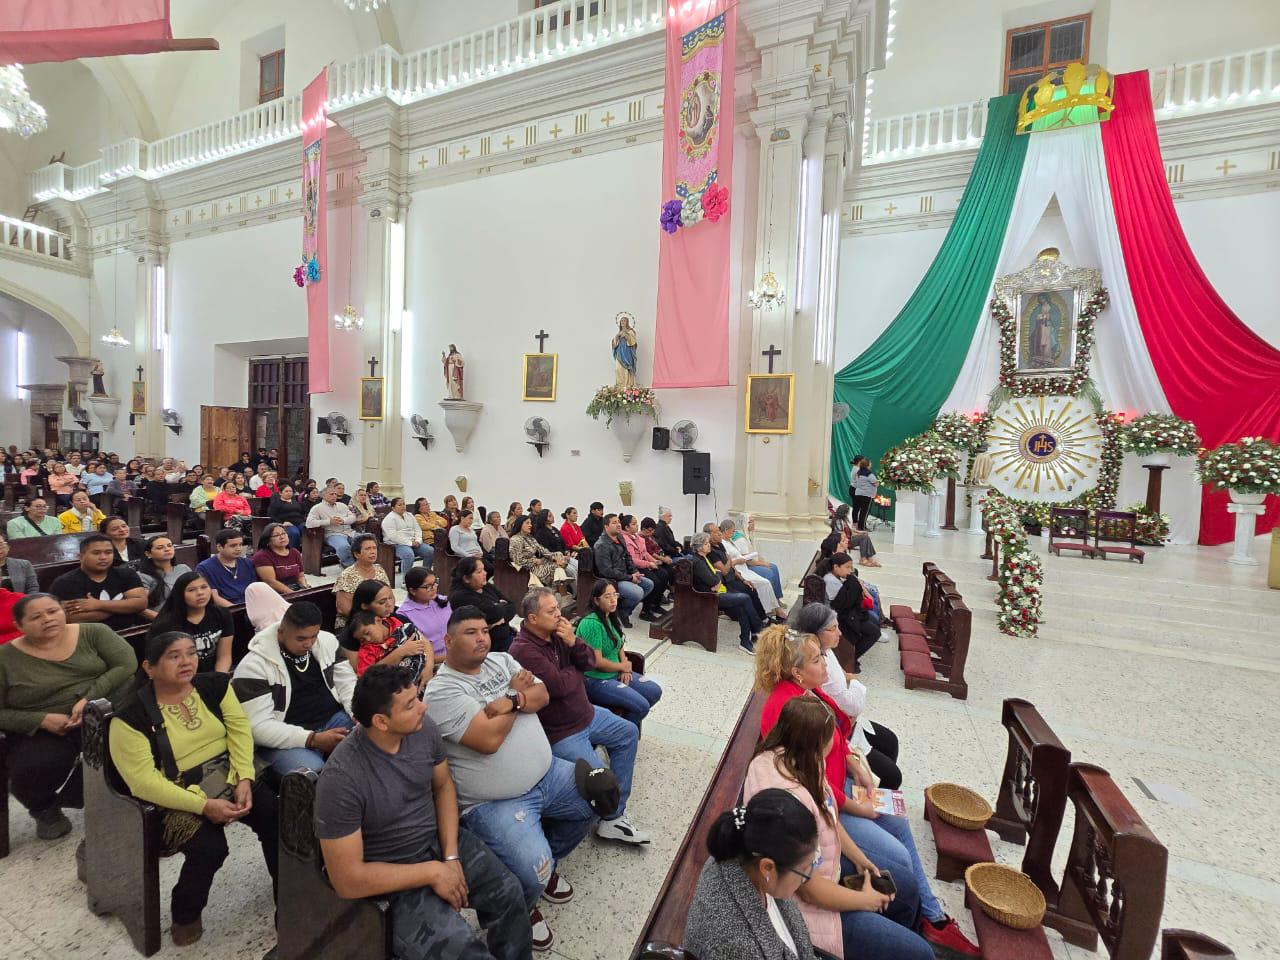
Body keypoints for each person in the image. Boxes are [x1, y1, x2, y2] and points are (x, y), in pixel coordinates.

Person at [754, 626, 978, 956]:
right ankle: (920, 924)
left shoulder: (810, 693)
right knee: (899, 861)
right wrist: (856, 807)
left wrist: (853, 762)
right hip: (831, 801)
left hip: (834, 791)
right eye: (817, 660)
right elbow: (812, 788)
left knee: (899, 820)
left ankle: (930, 918)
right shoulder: (785, 709)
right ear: (796, 672)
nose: (825, 666)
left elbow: (839, 729)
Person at [317, 664, 533, 960]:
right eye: (411, 705)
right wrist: (432, 872)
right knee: (465, 952)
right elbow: (347, 879)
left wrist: (451, 855)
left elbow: (443, 787)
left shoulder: (422, 728)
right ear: (381, 721)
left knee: (509, 893)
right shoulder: (342, 779)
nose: (423, 706)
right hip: (392, 876)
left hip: (435, 843)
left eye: (417, 696)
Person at [426, 607, 604, 952]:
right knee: (532, 871)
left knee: (598, 796)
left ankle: (548, 861)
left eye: (484, 630)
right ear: (448, 641)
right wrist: (516, 697)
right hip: (495, 802)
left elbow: (542, 696)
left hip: (548, 773)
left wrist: (509, 700)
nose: (481, 638)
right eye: (470, 632)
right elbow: (487, 740)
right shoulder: (442, 691)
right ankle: (526, 907)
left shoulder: (501, 661)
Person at [109, 630, 278, 950]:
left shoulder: (214, 685)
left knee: (274, 814)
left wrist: (243, 777)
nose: (186, 661)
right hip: (175, 791)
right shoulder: (130, 716)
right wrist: (204, 807)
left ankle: (287, 891)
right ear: (149, 667)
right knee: (209, 848)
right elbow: (142, 781)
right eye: (174, 656)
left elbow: (239, 730)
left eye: (190, 652)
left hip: (227, 772)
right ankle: (185, 914)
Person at [745, 698, 932, 960]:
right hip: (809, 916)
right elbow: (808, 890)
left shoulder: (793, 756)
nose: (833, 745)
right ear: (814, 746)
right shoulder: (787, 805)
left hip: (825, 871)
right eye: (829, 740)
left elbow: (827, 812)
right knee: (920, 953)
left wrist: (858, 857)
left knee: (907, 889)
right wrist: (865, 901)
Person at [511, 588, 649, 845]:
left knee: (628, 733)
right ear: (532, 619)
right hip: (562, 731)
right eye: (551, 611)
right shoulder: (523, 650)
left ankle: (613, 815)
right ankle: (607, 812)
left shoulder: (560, 635)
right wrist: (575, 671)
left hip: (587, 713)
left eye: (558, 608)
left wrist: (573, 643)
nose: (559, 615)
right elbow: (559, 688)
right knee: (599, 782)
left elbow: (587, 663)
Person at [0, 593, 136, 839]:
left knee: (129, 745)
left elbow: (126, 664)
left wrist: (88, 700)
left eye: (53, 611)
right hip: (45, 726)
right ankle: (43, 807)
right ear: (19, 625)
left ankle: (98, 797)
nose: (48, 619)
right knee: (33, 766)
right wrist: (40, 720)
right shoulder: (5, 658)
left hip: (102, 710)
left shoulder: (94, 632)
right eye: (36, 617)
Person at [682, 789, 818, 960]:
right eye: (804, 870)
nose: (807, 878)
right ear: (767, 868)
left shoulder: (743, 853)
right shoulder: (737, 946)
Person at [231, 600, 355, 776]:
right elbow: (258, 727)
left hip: (333, 720)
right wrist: (312, 739)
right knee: (313, 775)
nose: (309, 643)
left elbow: (346, 682)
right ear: (281, 633)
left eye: (314, 636)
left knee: (378, 733)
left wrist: (356, 711)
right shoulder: (253, 667)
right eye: (301, 638)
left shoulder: (327, 642)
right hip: (285, 738)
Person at [792, 602, 900, 789]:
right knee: (892, 776)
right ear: (814, 633)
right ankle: (870, 796)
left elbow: (842, 682)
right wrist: (856, 682)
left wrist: (849, 685)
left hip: (843, 725)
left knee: (890, 741)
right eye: (833, 628)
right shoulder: (811, 666)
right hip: (838, 732)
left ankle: (876, 797)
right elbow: (851, 706)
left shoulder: (823, 651)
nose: (839, 633)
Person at [575, 579, 662, 732]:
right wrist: (622, 666)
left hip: (616, 672)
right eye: (607, 596)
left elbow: (619, 644)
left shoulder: (610, 617)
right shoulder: (591, 623)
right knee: (641, 706)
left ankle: (623, 728)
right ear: (596, 600)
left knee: (654, 691)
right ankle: (617, 736)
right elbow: (597, 662)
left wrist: (626, 667)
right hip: (596, 679)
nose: (613, 600)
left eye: (615, 595)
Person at [49, 534, 148, 630]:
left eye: (108, 552)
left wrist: (97, 605)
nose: (103, 557)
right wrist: (124, 606)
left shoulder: (126, 574)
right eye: (96, 553)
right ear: (81, 556)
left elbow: (141, 604)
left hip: (128, 631)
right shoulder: (64, 582)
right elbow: (70, 618)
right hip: (86, 637)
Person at [690, 531, 764, 655]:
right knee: (744, 598)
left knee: (742, 607)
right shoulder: (698, 562)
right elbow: (714, 579)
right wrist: (717, 578)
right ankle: (758, 629)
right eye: (706, 544)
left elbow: (717, 576)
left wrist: (717, 578)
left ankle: (745, 641)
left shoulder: (704, 558)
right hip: (708, 597)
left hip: (716, 591)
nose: (709, 546)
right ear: (699, 547)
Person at [148, 572, 233, 673]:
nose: (200, 593)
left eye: (204, 587)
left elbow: (224, 656)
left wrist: (219, 678)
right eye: (192, 590)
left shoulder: (222, 614)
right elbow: (165, 664)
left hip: (214, 674)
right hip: (180, 677)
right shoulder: (165, 624)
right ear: (180, 594)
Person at [821, 553, 881, 671]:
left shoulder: (837, 577)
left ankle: (851, 657)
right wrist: (857, 586)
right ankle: (849, 659)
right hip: (838, 616)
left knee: (873, 621)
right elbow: (842, 601)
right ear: (836, 567)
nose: (850, 571)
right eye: (847, 567)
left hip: (846, 613)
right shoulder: (830, 580)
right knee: (874, 632)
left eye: (851, 567)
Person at [594, 513, 654, 626]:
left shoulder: (620, 537)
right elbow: (607, 571)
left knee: (649, 584)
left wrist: (634, 571)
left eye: (618, 522)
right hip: (612, 580)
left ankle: (624, 611)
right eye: (614, 522)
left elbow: (628, 557)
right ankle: (620, 610)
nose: (618, 525)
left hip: (624, 574)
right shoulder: (602, 545)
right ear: (606, 526)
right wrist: (630, 578)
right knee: (638, 592)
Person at [447, 556, 516, 653]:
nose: (485, 573)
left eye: (484, 570)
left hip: (507, 637)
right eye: (479, 572)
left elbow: (512, 606)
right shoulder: (460, 596)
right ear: (466, 578)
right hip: (487, 647)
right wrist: (499, 608)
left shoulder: (485, 586)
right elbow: (492, 614)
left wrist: (501, 619)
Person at [332, 535, 390, 630]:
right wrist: (374, 616)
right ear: (356, 554)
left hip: (380, 618)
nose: (372, 552)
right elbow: (344, 609)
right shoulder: (347, 575)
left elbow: (390, 596)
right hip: (354, 623)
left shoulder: (380, 570)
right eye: (367, 549)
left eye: (374, 548)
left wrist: (387, 611)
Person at [724, 516, 786, 605]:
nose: (753, 524)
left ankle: (776, 598)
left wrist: (762, 561)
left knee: (774, 567)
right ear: (744, 524)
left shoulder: (748, 533)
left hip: (751, 562)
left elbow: (754, 552)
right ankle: (770, 603)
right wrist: (763, 564)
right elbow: (747, 560)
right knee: (769, 572)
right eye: (750, 522)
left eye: (753, 522)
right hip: (747, 566)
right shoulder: (739, 538)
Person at [620, 513, 671, 615]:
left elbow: (645, 552)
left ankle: (655, 605)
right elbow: (633, 560)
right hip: (634, 568)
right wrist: (649, 564)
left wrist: (653, 561)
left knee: (664, 574)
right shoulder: (625, 539)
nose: (637, 526)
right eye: (634, 524)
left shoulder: (636, 537)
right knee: (655, 581)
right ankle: (645, 611)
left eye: (636, 523)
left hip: (644, 564)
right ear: (626, 527)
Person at [135, 535, 193, 620]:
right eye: (160, 548)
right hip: (161, 621)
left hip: (189, 616)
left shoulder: (183, 568)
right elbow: (139, 608)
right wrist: (164, 620)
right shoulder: (143, 576)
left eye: (169, 546)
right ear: (148, 554)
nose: (167, 549)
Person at [398, 567, 451, 658]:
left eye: (435, 583)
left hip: (454, 653)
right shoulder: (404, 614)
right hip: (431, 662)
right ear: (412, 591)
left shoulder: (443, 600)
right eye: (428, 586)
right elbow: (416, 653)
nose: (434, 588)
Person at [510, 515, 571, 591]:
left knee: (559, 554)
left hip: (538, 563)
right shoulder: (515, 539)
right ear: (520, 524)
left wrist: (555, 558)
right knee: (557, 566)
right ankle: (560, 588)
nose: (530, 525)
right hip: (528, 568)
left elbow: (543, 550)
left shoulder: (530, 538)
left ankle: (559, 583)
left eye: (531, 523)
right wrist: (534, 561)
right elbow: (517, 560)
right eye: (527, 523)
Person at [306, 486, 357, 569]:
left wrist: (343, 520)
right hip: (333, 534)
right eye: (331, 494)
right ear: (324, 496)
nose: (334, 496)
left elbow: (353, 518)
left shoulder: (342, 505)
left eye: (335, 494)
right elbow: (309, 523)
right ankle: (350, 567)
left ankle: (362, 564)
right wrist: (328, 521)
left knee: (367, 539)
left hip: (349, 532)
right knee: (343, 547)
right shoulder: (317, 508)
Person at [382, 497, 433, 576]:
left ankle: (425, 575)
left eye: (403, 504)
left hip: (414, 542)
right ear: (393, 508)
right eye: (399, 505)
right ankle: (406, 580)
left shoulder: (409, 515)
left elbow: (417, 529)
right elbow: (393, 536)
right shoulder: (389, 519)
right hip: (397, 544)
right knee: (408, 555)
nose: (403, 506)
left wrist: (418, 540)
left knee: (430, 551)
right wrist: (410, 543)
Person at [251, 523, 308, 594]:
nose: (282, 537)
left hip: (295, 589)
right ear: (268, 540)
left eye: (284, 533)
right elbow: (271, 582)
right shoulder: (261, 556)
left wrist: (305, 589)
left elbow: (301, 576)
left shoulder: (295, 552)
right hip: (274, 593)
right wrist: (293, 594)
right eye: (276, 535)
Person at [267, 483, 306, 548]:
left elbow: (301, 513)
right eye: (286, 491)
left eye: (291, 491)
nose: (289, 493)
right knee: (294, 533)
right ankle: (293, 551)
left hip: (299, 523)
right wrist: (282, 523)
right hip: (286, 524)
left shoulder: (295, 502)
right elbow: (271, 515)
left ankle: (307, 551)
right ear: (280, 493)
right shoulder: (276, 503)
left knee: (309, 530)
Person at [851, 458, 878, 531]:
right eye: (870, 463)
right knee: (864, 512)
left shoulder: (858, 472)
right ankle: (862, 527)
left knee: (857, 509)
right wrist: (877, 483)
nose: (871, 464)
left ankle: (858, 526)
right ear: (867, 465)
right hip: (866, 495)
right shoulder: (869, 474)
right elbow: (876, 483)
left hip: (858, 493)